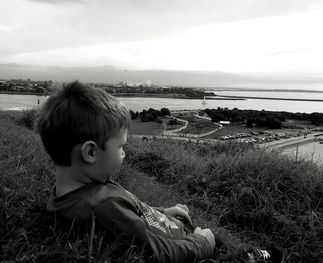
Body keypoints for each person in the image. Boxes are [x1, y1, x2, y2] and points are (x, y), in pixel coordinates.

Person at [35, 81, 284, 263]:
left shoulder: (79, 189)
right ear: (90, 152)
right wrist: (201, 244)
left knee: (216, 240)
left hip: (175, 229)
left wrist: (164, 212)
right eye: (120, 147)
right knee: (217, 248)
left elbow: (130, 212)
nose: (124, 154)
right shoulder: (101, 206)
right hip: (184, 250)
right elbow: (158, 254)